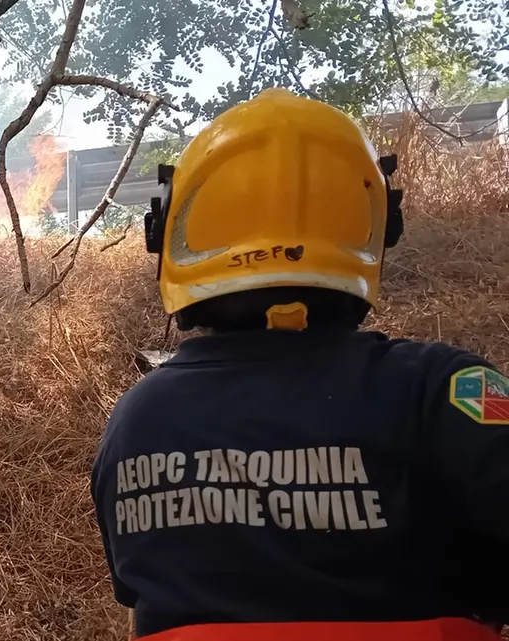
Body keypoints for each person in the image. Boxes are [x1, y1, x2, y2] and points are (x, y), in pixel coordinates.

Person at [89, 88, 509, 641]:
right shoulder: (445, 391)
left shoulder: (134, 420)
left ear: (171, 230)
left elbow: (135, 588)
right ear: (377, 227)